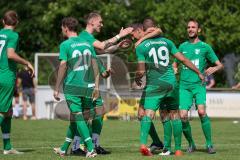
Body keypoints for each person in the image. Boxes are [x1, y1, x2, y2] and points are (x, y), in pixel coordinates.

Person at [130, 23, 204, 156]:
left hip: (155, 84)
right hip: (171, 83)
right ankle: (177, 150)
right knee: (174, 115)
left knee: (149, 114)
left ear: (143, 30)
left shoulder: (140, 47)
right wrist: (198, 72)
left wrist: (136, 78)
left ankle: (143, 145)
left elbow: (141, 71)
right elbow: (183, 59)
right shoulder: (167, 42)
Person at [71, 11, 133, 155]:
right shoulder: (84, 36)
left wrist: (118, 46)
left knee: (98, 113)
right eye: (100, 22)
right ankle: (76, 146)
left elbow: (100, 50)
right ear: (92, 22)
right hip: (83, 83)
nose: (102, 24)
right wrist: (120, 35)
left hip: (92, 82)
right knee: (81, 117)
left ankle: (94, 144)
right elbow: (102, 46)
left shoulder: (88, 39)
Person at [173, 18, 223, 154]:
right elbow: (175, 63)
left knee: (201, 112)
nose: (190, 29)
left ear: (198, 30)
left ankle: (209, 144)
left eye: (193, 27)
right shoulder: (182, 46)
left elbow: (219, 64)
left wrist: (214, 68)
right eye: (188, 27)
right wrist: (174, 68)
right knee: (183, 115)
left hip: (198, 85)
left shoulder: (205, 47)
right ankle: (191, 144)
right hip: (184, 86)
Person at [53, 17, 99, 158]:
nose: (62, 29)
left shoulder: (65, 45)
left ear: (66, 27)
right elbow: (95, 64)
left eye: (62, 27)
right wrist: (96, 86)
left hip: (73, 86)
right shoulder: (87, 43)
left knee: (78, 116)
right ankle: (63, 149)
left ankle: (90, 148)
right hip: (88, 86)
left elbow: (63, 65)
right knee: (77, 118)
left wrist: (56, 87)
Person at [0, 10, 34, 154]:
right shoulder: (13, 35)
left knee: (8, 111)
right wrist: (26, 62)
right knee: (3, 111)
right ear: (17, 23)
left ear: (3, 21)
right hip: (6, 76)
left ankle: (7, 147)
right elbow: (10, 54)